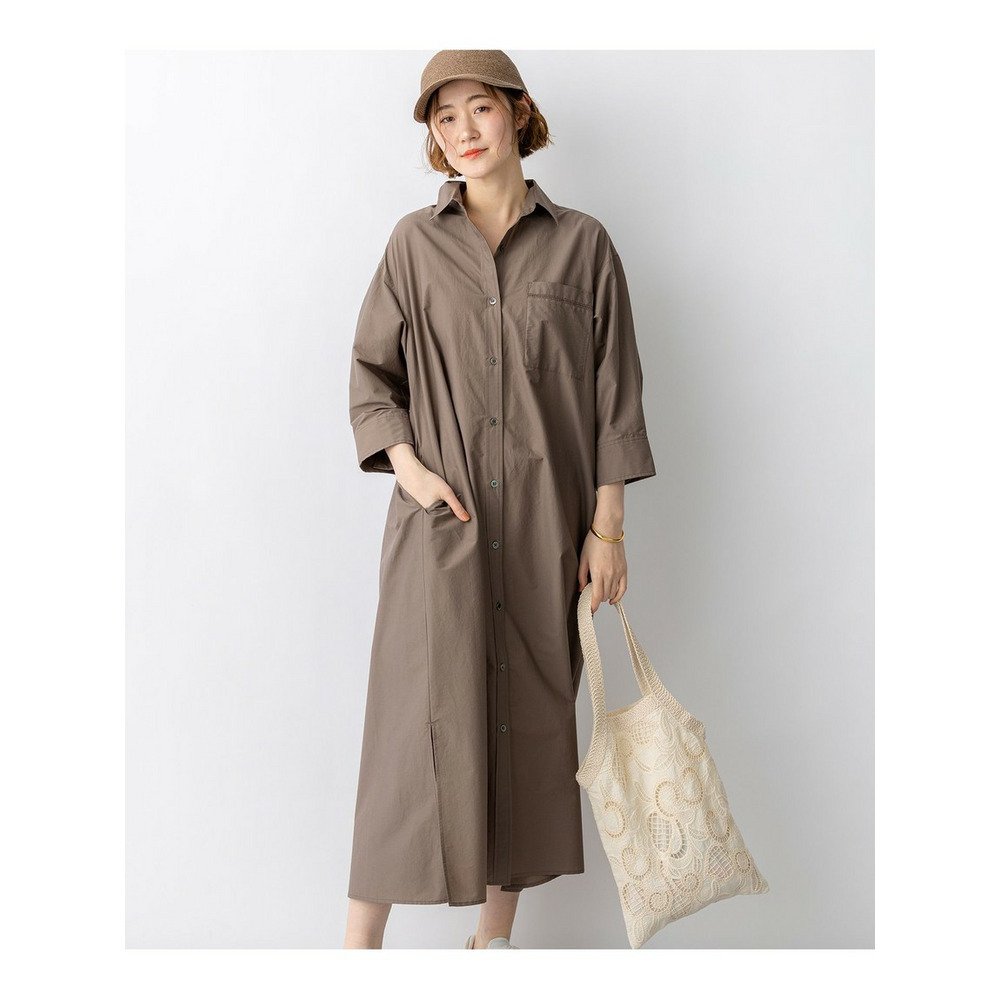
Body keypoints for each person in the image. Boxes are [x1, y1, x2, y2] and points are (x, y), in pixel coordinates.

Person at [344, 50, 657, 949]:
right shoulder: (414, 244)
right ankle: (357, 952)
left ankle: (494, 945)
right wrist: (409, 468)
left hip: (543, 530)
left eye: (478, 109)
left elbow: (614, 394)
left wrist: (607, 528)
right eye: (444, 119)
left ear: (518, 113)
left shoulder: (583, 245)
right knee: (411, 731)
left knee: (527, 722)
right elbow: (372, 374)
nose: (463, 131)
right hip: (439, 529)